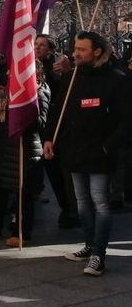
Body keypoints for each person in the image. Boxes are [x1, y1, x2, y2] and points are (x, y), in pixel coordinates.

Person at [44, 31, 132, 276]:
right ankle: (90, 244)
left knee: (100, 202)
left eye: (82, 49)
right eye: (76, 48)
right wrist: (50, 138)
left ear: (98, 52)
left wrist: (107, 147)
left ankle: (99, 255)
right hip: (74, 150)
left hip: (101, 153)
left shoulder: (118, 79)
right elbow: (58, 110)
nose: (75, 53)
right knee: (82, 202)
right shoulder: (71, 77)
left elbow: (127, 122)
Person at [0, 61, 50, 247]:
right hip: (4, 149)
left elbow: (41, 122)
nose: (9, 74)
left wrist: (23, 107)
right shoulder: (8, 92)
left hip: (25, 150)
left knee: (23, 195)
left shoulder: (38, 92)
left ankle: (22, 232)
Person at [34, 33, 78, 228]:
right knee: (50, 171)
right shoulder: (32, 64)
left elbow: (63, 95)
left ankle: (71, 209)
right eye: (35, 44)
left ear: (50, 49)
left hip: (59, 127)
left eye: (42, 45)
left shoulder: (59, 67)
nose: (37, 48)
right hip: (42, 127)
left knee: (62, 172)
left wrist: (65, 73)